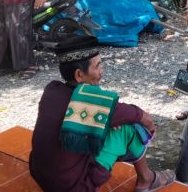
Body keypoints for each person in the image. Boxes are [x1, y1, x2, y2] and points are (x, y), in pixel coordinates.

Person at [29, 36, 175, 192]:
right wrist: (151, 129)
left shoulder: (52, 90)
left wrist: (110, 121)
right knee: (131, 129)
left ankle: (146, 178)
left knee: (111, 124)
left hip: (42, 178)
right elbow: (143, 117)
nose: (101, 71)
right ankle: (146, 179)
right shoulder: (92, 103)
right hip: (75, 187)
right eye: (97, 66)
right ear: (79, 75)